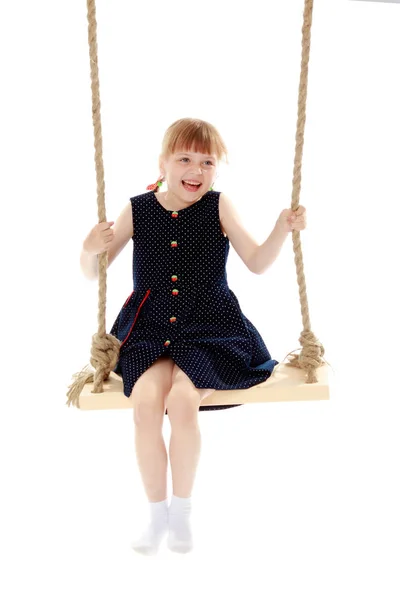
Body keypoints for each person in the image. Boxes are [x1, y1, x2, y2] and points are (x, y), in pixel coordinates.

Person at [80, 118, 307, 555]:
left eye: (207, 162)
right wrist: (89, 250)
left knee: (183, 401)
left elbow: (257, 262)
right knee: (145, 406)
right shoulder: (138, 209)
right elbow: (94, 273)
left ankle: (181, 513)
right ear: (163, 163)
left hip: (211, 330)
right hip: (149, 331)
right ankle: (155, 515)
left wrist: (282, 228)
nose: (196, 170)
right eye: (185, 158)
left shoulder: (218, 206)